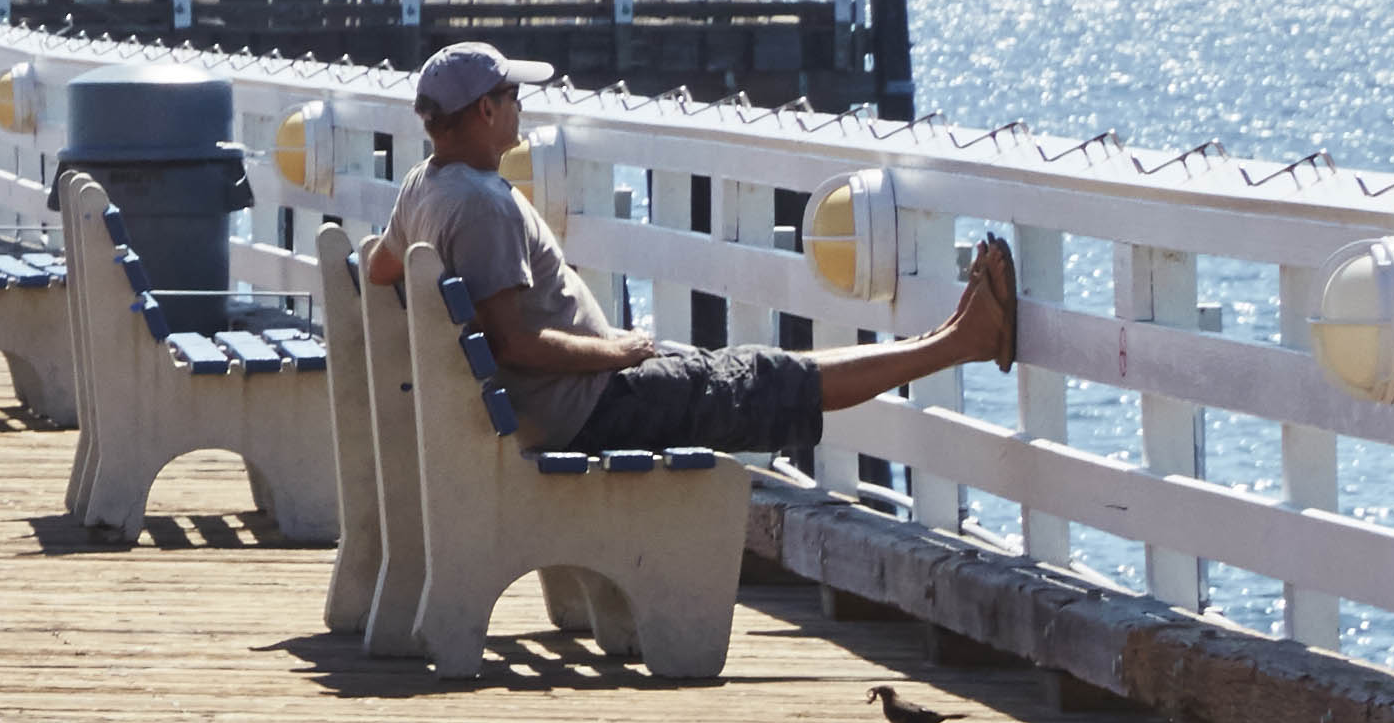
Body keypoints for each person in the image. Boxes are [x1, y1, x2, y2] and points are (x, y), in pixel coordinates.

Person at [386, 42, 1018, 459]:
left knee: (737, 365)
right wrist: (618, 352)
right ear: (486, 109)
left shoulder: (425, 186)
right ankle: (960, 344)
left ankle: (949, 334)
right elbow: (514, 343)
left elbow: (378, 265)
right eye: (513, 96)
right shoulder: (483, 206)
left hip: (546, 404)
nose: (522, 107)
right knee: (774, 377)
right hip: (586, 409)